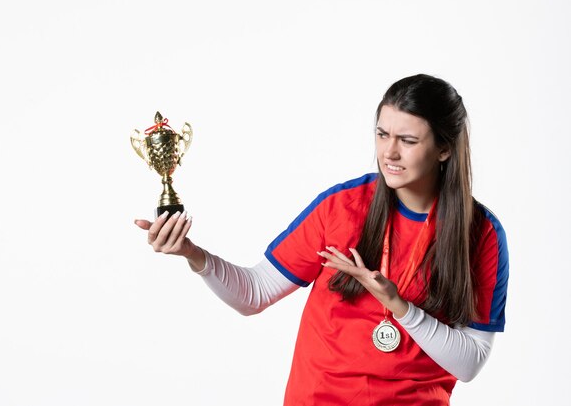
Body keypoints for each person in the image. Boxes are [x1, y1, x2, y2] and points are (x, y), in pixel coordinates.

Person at [134, 74, 509, 406]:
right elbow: (254, 293)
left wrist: (398, 305)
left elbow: (470, 362)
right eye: (382, 135)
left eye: (407, 140)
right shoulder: (342, 206)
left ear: (444, 148)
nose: (389, 153)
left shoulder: (481, 234)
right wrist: (194, 255)